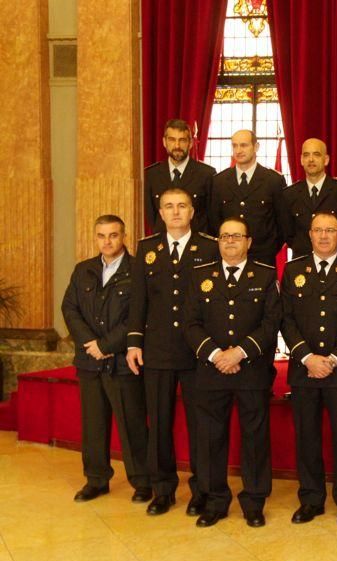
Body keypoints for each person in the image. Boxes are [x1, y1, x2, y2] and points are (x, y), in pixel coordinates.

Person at [126, 188, 219, 516]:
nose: (176, 212)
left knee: (200, 425)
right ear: (160, 213)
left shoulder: (209, 247)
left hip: (198, 353)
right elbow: (138, 300)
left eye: (182, 206)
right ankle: (162, 488)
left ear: (192, 211)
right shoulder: (147, 249)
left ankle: (202, 490)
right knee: (160, 423)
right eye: (169, 206)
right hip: (159, 351)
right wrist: (134, 342)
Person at [184, 216, 281, 528]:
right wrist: (216, 355)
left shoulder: (265, 275)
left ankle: (254, 501)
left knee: (254, 438)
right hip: (211, 371)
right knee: (211, 439)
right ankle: (215, 501)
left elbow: (271, 324)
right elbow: (190, 323)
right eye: (224, 236)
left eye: (237, 236)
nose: (230, 242)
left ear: (249, 242)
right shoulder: (201, 276)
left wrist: (239, 352)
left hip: (251, 370)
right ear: (218, 241)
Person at [281, 212, 337, 527]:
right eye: (317, 230)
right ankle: (311, 499)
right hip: (304, 371)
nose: (323, 236)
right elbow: (286, 319)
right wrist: (308, 357)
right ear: (309, 234)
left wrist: (333, 359)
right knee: (307, 437)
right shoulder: (293, 270)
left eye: (329, 230)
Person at [62, 214, 150, 502]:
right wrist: (91, 344)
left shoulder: (138, 270)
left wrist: (107, 345)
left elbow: (139, 316)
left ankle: (142, 481)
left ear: (123, 236)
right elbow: (70, 309)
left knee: (132, 424)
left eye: (113, 235)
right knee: (94, 425)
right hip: (90, 362)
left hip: (123, 362)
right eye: (101, 235)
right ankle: (96, 480)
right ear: (96, 237)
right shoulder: (83, 270)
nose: (107, 241)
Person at [208, 129, 287, 266]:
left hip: (263, 257)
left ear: (256, 147)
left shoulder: (273, 180)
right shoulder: (219, 181)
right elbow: (214, 221)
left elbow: (283, 223)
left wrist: (268, 249)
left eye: (244, 145)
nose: (238, 150)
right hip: (229, 257)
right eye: (234, 146)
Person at [279, 138, 337, 259]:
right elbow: (288, 233)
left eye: (316, 154)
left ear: (326, 160)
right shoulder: (289, 194)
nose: (311, 159)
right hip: (302, 263)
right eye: (306, 155)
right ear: (301, 160)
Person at [143, 118, 215, 235]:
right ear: (164, 142)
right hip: (163, 244)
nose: (177, 145)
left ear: (190, 143)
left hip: (197, 245)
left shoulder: (206, 174)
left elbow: (212, 216)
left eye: (182, 140)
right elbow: (152, 216)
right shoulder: (152, 174)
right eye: (172, 140)